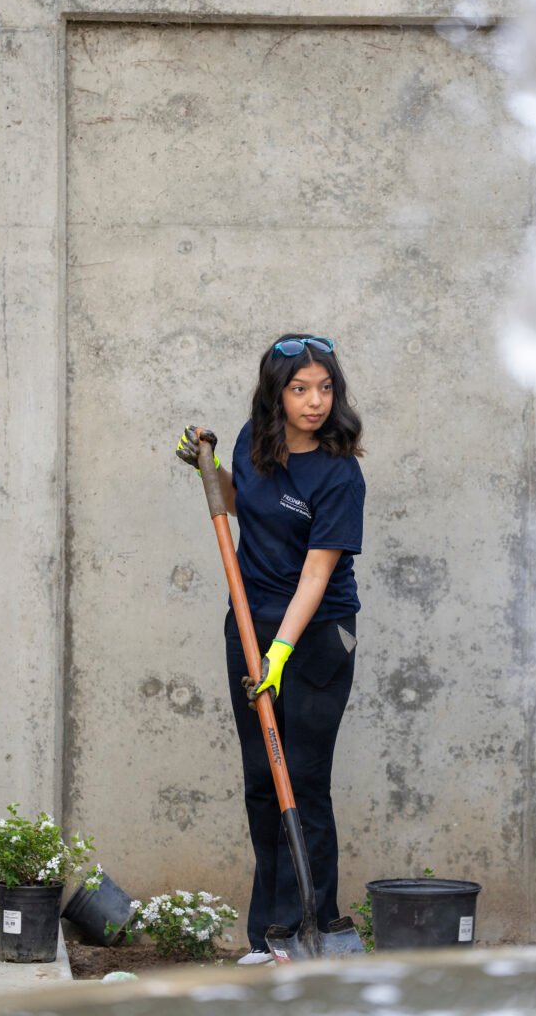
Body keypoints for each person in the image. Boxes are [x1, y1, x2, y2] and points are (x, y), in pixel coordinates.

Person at [176, 336, 365, 965]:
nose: (315, 401)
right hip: (248, 628)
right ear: (276, 394)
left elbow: (317, 574)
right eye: (300, 388)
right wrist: (210, 472)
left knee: (304, 782)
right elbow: (243, 503)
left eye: (325, 388)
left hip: (314, 638)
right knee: (263, 780)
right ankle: (269, 936)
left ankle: (307, 926)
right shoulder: (252, 442)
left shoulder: (339, 473)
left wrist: (280, 652)